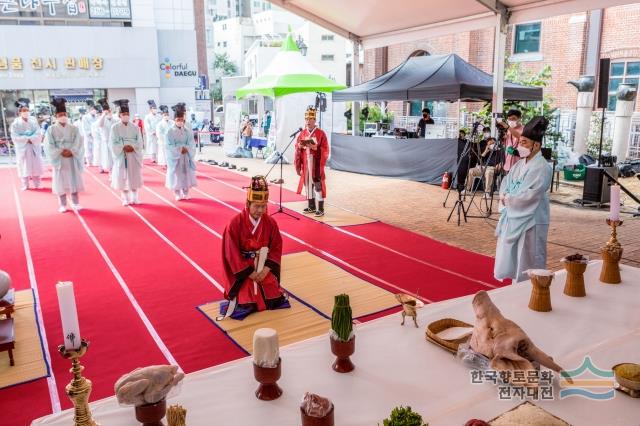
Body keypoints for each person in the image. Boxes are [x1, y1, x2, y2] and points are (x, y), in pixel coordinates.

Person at [219, 175, 290, 320]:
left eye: (264, 206)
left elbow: (276, 246)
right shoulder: (234, 224)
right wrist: (250, 273)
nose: (261, 210)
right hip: (244, 271)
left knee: (275, 298)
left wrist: (265, 270)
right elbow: (231, 252)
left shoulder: (270, 222)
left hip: (263, 267)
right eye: (257, 206)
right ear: (247, 203)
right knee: (247, 303)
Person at [494, 116, 552, 283]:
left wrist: (510, 199)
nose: (521, 146)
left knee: (529, 257)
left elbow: (532, 194)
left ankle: (533, 290)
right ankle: (516, 288)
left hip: (531, 219)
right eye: (521, 142)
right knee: (516, 257)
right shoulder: (520, 164)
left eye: (525, 142)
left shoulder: (542, 167)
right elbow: (507, 181)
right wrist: (504, 195)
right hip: (514, 214)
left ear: (537, 145)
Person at [44, 98, 84, 213]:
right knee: (60, 180)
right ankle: (62, 204)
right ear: (56, 116)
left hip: (71, 157)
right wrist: (61, 151)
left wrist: (71, 150)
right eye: (61, 114)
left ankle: (76, 203)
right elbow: (49, 145)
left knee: (73, 179)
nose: (63, 116)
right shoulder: (51, 129)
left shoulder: (74, 128)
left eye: (65, 114)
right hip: (60, 158)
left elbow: (78, 142)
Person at [295, 106, 329, 217]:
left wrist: (316, 148)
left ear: (314, 120)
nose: (308, 121)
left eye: (310, 119)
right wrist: (299, 145)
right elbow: (297, 145)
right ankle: (311, 206)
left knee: (317, 184)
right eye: (306, 119)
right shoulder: (302, 133)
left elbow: (325, 148)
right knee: (307, 184)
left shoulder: (320, 133)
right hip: (306, 163)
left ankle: (321, 208)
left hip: (316, 163)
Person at [110, 99, 144, 206]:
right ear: (120, 115)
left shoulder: (135, 127)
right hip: (121, 155)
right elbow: (112, 142)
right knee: (123, 176)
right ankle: (125, 198)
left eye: (127, 114)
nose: (126, 116)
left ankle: (135, 197)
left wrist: (132, 147)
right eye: (123, 114)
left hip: (133, 154)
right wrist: (123, 147)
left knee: (133, 175)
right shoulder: (115, 127)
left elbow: (139, 141)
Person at [165, 103, 197, 200]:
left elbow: (191, 143)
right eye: (178, 120)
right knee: (177, 174)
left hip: (186, 155)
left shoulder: (187, 131)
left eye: (181, 120)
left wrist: (186, 148)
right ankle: (177, 193)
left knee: (186, 173)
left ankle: (186, 192)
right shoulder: (169, 131)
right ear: (174, 120)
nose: (180, 122)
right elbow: (169, 145)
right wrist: (179, 149)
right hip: (176, 157)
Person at [10, 98, 44, 190]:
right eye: (23, 110)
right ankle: (25, 184)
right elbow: (14, 136)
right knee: (23, 165)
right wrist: (26, 139)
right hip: (23, 148)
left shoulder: (33, 120)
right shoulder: (15, 123)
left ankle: (37, 183)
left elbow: (38, 133)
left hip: (33, 146)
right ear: (20, 112)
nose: (26, 112)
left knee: (36, 164)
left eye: (27, 110)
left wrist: (31, 139)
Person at [497, 109, 524, 173]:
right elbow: (506, 144)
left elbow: (520, 137)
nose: (511, 121)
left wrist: (507, 127)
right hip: (508, 162)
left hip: (519, 162)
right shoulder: (508, 131)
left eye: (513, 119)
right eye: (509, 119)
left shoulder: (524, 129)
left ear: (519, 118)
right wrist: (503, 139)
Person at [97, 98, 117, 174]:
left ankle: (113, 171)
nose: (108, 113)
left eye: (109, 111)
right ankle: (106, 169)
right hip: (105, 142)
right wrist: (103, 114)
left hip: (113, 141)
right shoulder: (102, 119)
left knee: (114, 157)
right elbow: (100, 124)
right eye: (107, 112)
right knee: (106, 158)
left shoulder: (114, 120)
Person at [81, 100, 98, 165]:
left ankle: (95, 160)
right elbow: (85, 128)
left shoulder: (97, 116)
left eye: (94, 109)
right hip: (89, 136)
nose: (94, 110)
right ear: (89, 109)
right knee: (88, 148)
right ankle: (89, 161)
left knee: (95, 149)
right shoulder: (85, 117)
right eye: (92, 109)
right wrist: (90, 133)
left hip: (96, 136)